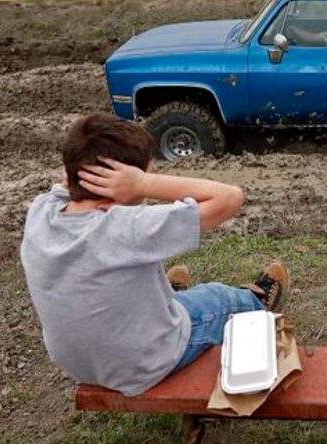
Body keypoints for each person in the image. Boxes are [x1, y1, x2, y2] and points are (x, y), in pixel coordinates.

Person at [20, 113, 290, 397]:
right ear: (121, 184)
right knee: (219, 298)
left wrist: (87, 169)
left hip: (80, 366)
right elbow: (230, 198)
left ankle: (167, 297)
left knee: (152, 290)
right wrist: (142, 185)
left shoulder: (40, 211)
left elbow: (66, 184)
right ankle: (257, 301)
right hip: (144, 363)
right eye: (146, 174)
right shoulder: (126, 227)